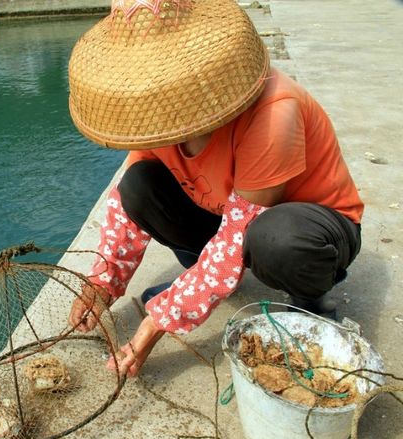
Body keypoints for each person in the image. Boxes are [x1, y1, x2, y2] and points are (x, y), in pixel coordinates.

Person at [66, 0, 363, 377]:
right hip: (225, 213)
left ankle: (309, 305)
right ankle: (200, 279)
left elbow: (237, 236)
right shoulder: (155, 113)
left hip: (313, 227)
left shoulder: (273, 111)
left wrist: (158, 322)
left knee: (276, 239)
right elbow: (127, 208)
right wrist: (102, 283)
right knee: (137, 186)